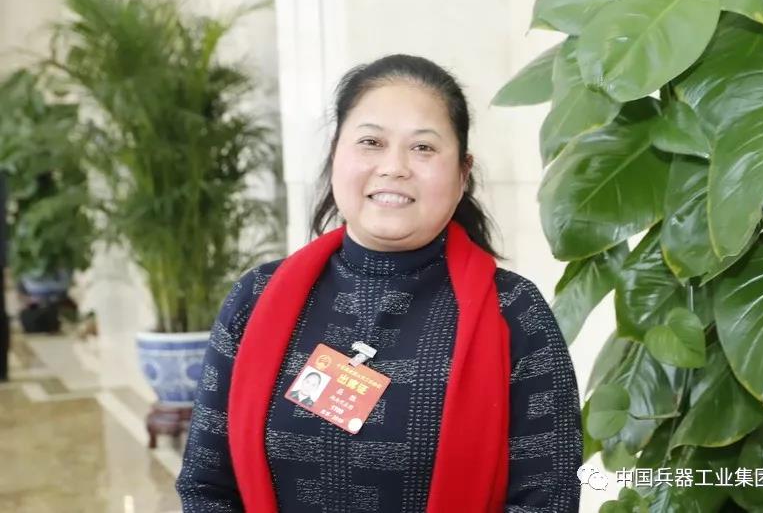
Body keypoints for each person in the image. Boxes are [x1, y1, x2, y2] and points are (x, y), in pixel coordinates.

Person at [176, 54, 582, 512]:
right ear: (335, 156)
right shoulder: (256, 298)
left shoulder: (515, 312)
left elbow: (548, 500)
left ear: (462, 173)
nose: (394, 167)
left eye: (423, 148)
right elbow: (206, 485)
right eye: (371, 142)